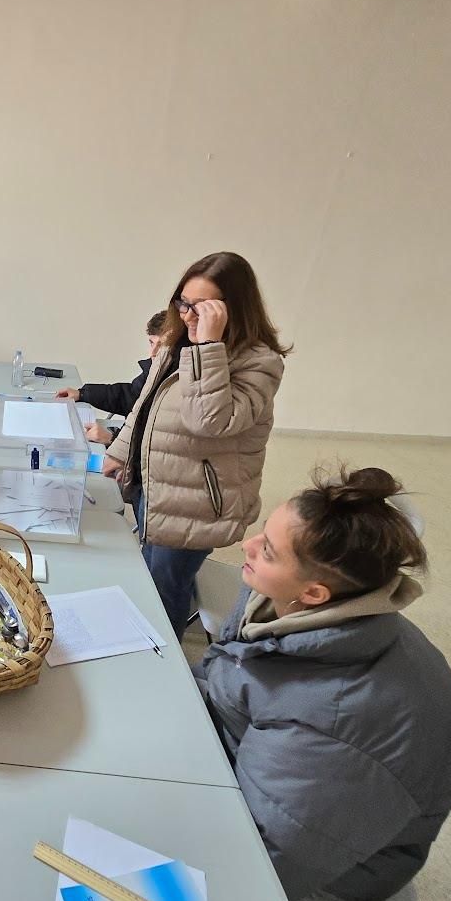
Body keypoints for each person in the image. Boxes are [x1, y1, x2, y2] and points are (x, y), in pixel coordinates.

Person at [196, 467, 451, 901]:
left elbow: (264, 868)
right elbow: (224, 672)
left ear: (316, 594)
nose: (246, 546)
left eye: (267, 551)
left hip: (324, 877)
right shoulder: (279, 604)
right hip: (259, 781)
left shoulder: (337, 720)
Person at [102, 252, 289, 640]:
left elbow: (209, 422)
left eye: (201, 307)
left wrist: (208, 348)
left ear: (231, 308)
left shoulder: (259, 363)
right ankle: (146, 641)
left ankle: (160, 665)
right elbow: (145, 403)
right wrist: (119, 451)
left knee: (163, 589)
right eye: (183, 302)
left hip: (199, 505)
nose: (187, 315)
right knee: (151, 573)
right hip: (159, 487)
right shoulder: (174, 341)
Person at [55, 310, 166, 444]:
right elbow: (129, 396)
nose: (153, 353)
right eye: (152, 343)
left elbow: (158, 443)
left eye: (162, 345)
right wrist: (82, 394)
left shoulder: (177, 386)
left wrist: (111, 439)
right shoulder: (154, 371)